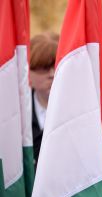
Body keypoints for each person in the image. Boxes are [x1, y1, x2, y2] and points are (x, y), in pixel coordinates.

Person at [29, 32, 59, 168]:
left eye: (58, 66)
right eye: (44, 68)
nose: (52, 74)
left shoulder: (82, 111)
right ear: (28, 72)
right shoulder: (14, 115)